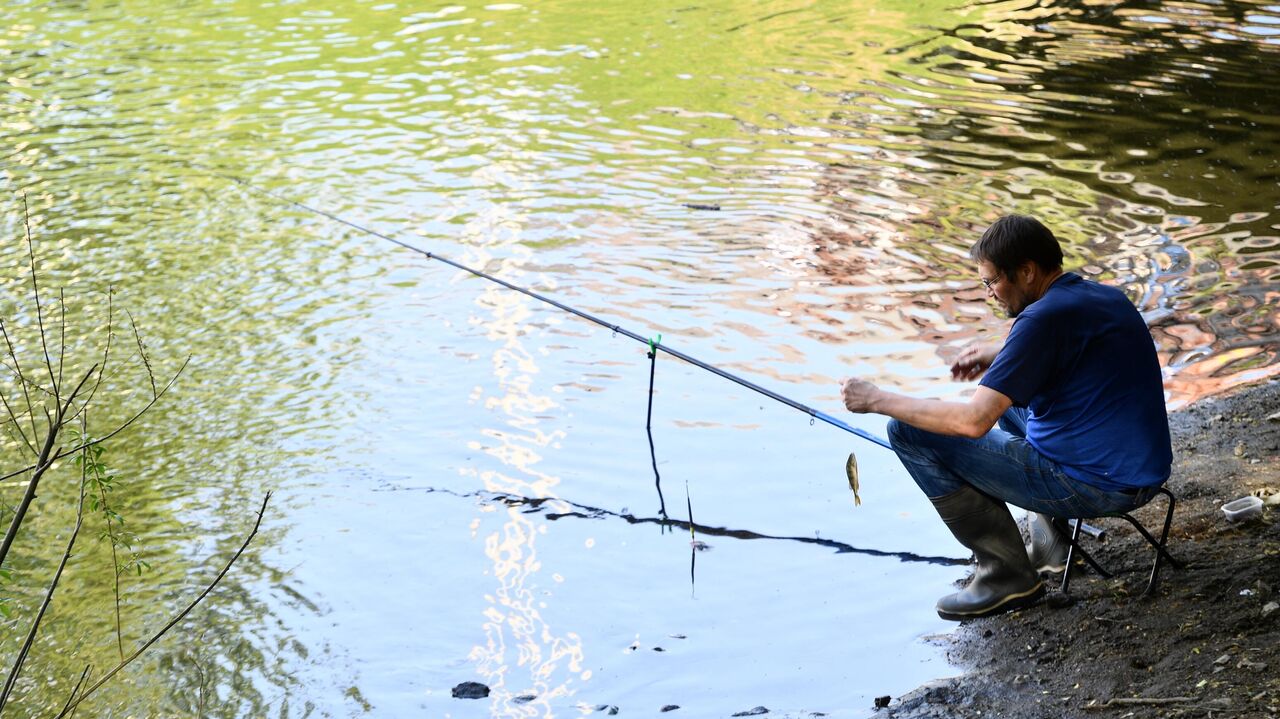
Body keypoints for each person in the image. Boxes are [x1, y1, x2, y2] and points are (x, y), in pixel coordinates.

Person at [840, 214, 1172, 621]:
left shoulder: (1039, 320)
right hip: (1144, 471)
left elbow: (972, 422)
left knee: (909, 431)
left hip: (1095, 485)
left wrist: (877, 398)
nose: (990, 293)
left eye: (992, 281)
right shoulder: (1101, 297)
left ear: (1027, 271)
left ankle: (1006, 575)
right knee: (1015, 403)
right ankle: (1051, 547)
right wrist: (999, 356)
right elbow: (1071, 352)